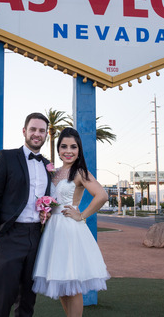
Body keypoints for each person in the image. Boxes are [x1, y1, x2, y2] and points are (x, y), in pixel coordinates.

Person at [32, 127, 110, 317]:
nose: (68, 151)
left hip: (69, 230)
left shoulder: (80, 172)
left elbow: (102, 195)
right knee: (60, 282)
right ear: (58, 149)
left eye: (73, 147)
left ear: (79, 150)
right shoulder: (53, 172)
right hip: (52, 231)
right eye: (64, 146)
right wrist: (45, 213)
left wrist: (81, 215)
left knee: (72, 283)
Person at [0, 112, 53, 317]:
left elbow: (47, 200)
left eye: (42, 131)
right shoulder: (6, 157)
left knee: (27, 300)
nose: (37, 134)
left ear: (46, 135)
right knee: (3, 299)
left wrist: (46, 214)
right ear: (24, 131)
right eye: (33, 129)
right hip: (10, 236)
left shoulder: (48, 165)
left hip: (36, 236)